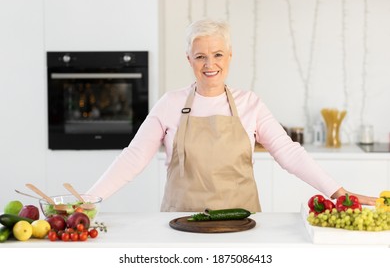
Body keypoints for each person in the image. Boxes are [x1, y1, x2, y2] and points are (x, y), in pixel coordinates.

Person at [86, 18, 377, 212]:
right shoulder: (170, 104)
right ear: (189, 59)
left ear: (229, 56)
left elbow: (289, 153)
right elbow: (133, 157)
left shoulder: (250, 103)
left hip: (244, 225)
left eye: (218, 54)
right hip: (180, 226)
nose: (209, 63)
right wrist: (88, 200)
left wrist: (337, 192)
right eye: (200, 56)